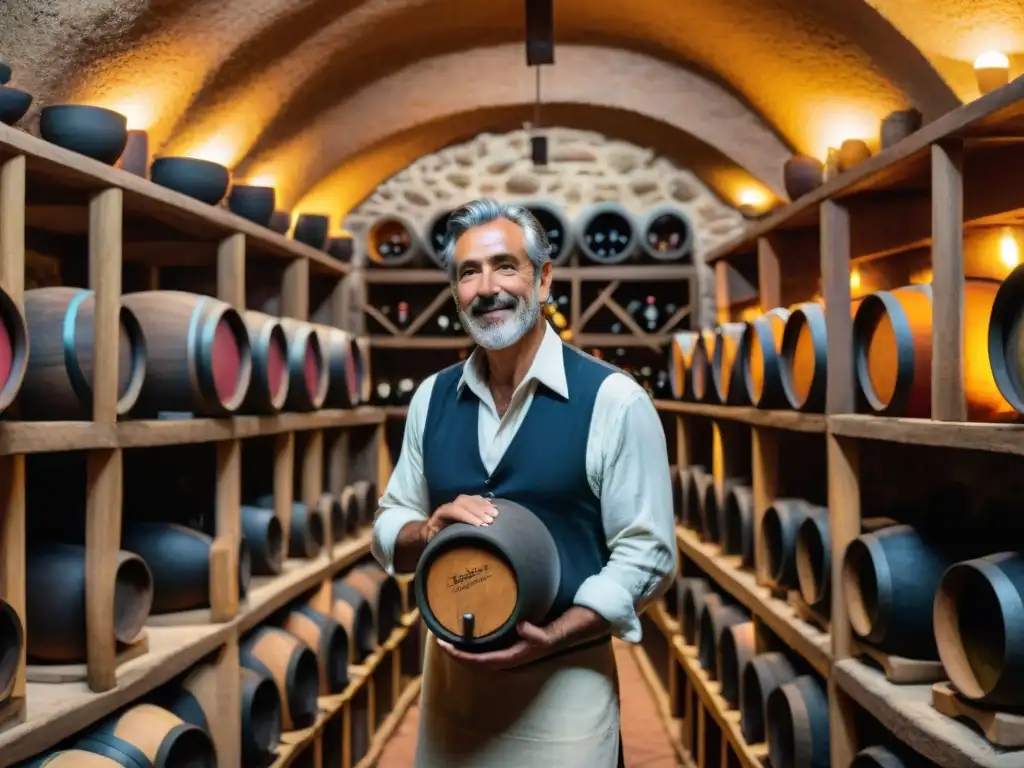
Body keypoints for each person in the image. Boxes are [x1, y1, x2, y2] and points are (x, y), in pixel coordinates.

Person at [371, 198, 678, 767]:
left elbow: (648, 554)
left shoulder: (615, 400)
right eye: (469, 272)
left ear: (543, 281)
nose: (487, 287)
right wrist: (426, 529)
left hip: (565, 695)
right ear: (456, 292)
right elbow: (390, 520)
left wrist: (559, 633)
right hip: (452, 697)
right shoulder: (431, 398)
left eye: (505, 266)